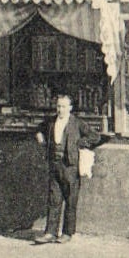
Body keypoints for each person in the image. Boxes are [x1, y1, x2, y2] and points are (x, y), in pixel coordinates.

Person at [34, 89, 102, 245]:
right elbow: (38, 129)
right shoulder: (51, 121)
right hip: (54, 164)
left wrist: (81, 143)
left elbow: (95, 137)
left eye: (64, 106)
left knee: (71, 200)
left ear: (70, 108)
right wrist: (39, 136)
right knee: (54, 199)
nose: (60, 110)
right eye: (58, 106)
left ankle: (67, 233)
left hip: (70, 166)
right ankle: (50, 232)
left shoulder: (76, 123)